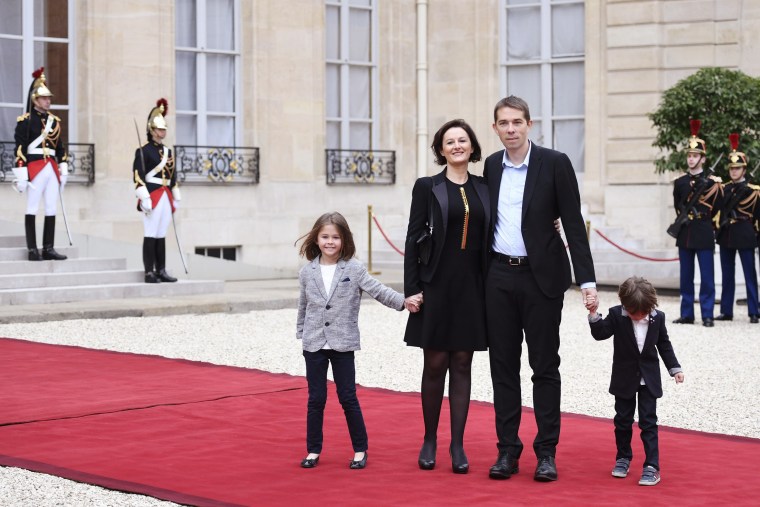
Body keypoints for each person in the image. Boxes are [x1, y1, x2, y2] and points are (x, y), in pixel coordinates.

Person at [484, 95, 596, 482]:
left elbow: (572, 221)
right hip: (498, 278)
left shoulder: (555, 163)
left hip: (541, 278)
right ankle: (507, 451)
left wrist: (587, 281)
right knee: (502, 368)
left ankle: (546, 452)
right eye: (504, 123)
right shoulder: (491, 166)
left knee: (544, 367)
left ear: (529, 125)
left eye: (517, 122)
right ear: (495, 128)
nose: (511, 129)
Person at [296, 211, 416, 470]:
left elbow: (377, 290)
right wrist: (301, 333)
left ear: (344, 240)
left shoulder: (354, 268)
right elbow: (303, 305)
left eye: (335, 237)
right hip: (314, 344)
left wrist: (403, 301)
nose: (330, 242)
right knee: (315, 399)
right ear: (316, 239)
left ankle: (360, 449)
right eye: (325, 236)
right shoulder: (307, 272)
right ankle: (313, 450)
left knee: (347, 397)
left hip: (343, 343)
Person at [403, 119, 490, 474]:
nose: (456, 146)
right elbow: (412, 239)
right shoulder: (427, 187)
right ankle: (429, 439)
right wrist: (412, 289)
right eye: (449, 141)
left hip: (473, 286)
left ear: (472, 148)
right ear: (441, 149)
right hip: (436, 285)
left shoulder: (486, 187)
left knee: (463, 364)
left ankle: (457, 444)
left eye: (462, 140)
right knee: (435, 363)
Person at [588, 276, 684, 486]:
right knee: (622, 421)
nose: (638, 316)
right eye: (634, 312)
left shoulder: (658, 318)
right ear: (625, 304)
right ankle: (623, 458)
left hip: (649, 379)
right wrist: (594, 314)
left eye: (642, 312)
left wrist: (674, 368)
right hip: (624, 378)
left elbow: (664, 344)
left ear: (651, 305)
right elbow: (600, 334)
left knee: (648, 422)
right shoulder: (616, 314)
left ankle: (652, 466)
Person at [12, 67, 69, 261]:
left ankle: (48, 248)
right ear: (35, 100)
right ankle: (32, 249)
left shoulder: (54, 121)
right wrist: (21, 173)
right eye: (44, 98)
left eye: (49, 98)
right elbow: (20, 148)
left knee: (51, 208)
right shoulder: (26, 121)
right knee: (32, 208)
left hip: (51, 168)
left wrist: (63, 168)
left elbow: (59, 147)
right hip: (35, 167)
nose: (48, 101)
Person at [671, 120, 722, 327]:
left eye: (695, 156)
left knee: (707, 278)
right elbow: (677, 206)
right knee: (686, 278)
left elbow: (718, 207)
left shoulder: (712, 183)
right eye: (689, 156)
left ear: (702, 158)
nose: (691, 159)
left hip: (703, 230)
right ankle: (687, 314)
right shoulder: (680, 182)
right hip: (685, 231)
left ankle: (707, 314)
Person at [133, 99, 181, 284]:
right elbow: (138, 176)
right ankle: (149, 272)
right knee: (151, 232)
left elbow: (172, 175)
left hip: (166, 195)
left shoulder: (168, 152)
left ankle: (161, 270)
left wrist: (175, 195)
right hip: (152, 194)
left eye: (164, 129)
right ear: (151, 130)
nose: (163, 132)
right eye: (160, 129)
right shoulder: (143, 151)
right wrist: (144, 197)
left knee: (161, 233)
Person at [715, 134, 760, 324]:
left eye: (738, 168)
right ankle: (726, 310)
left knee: (750, 273)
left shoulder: (754, 191)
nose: (734, 171)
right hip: (726, 234)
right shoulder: (723, 189)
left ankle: (754, 311)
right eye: (732, 168)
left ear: (744, 169)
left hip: (745, 232)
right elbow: (717, 211)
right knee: (727, 274)